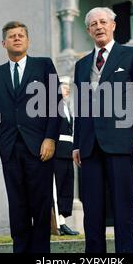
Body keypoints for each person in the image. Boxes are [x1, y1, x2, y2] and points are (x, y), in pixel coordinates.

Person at [73, 7, 133, 253]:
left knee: (122, 206)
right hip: (89, 145)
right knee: (92, 210)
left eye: (103, 22)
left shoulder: (132, 55)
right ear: (88, 30)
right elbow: (80, 107)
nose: (99, 26)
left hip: (122, 141)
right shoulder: (81, 64)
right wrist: (76, 143)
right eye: (93, 23)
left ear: (113, 25)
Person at [0, 21, 62, 253]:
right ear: (3, 42)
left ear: (27, 41)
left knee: (40, 205)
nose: (17, 38)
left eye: (21, 35)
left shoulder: (44, 65)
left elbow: (55, 105)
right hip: (10, 149)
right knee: (17, 208)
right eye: (12, 36)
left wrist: (50, 138)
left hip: (39, 148)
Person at [53, 76, 79, 236]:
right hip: (57, 152)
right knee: (56, 188)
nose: (67, 89)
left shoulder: (66, 107)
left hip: (68, 152)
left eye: (68, 86)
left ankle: (63, 220)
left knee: (66, 187)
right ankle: (58, 223)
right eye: (64, 86)